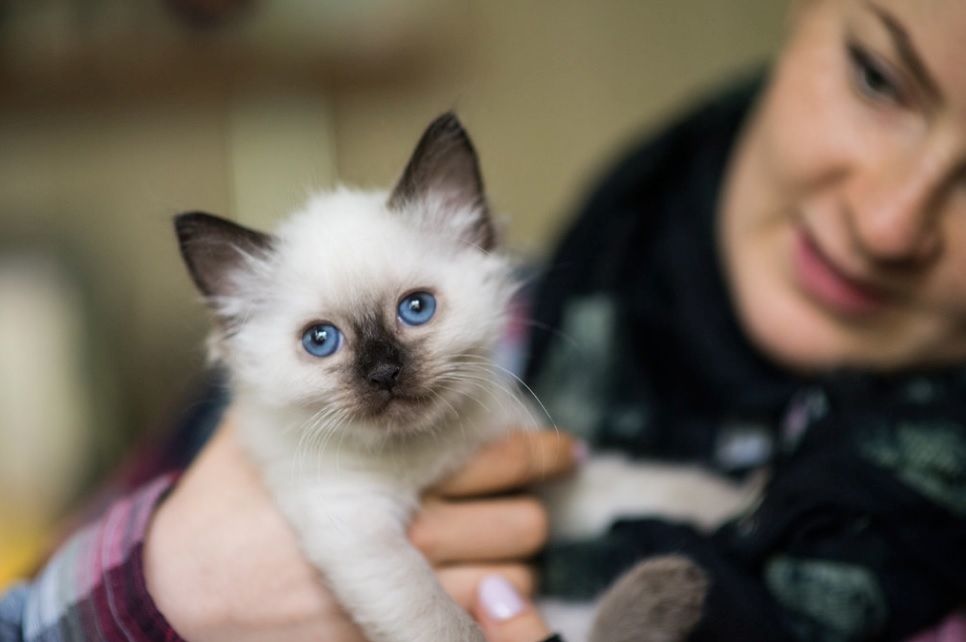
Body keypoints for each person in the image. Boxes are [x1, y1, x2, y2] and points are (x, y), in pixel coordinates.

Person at [3, 0, 965, 640]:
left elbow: (580, 491)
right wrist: (156, 586)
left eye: (414, 311)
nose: (890, 220)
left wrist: (720, 504)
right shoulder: (238, 446)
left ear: (477, 245)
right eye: (879, 77)